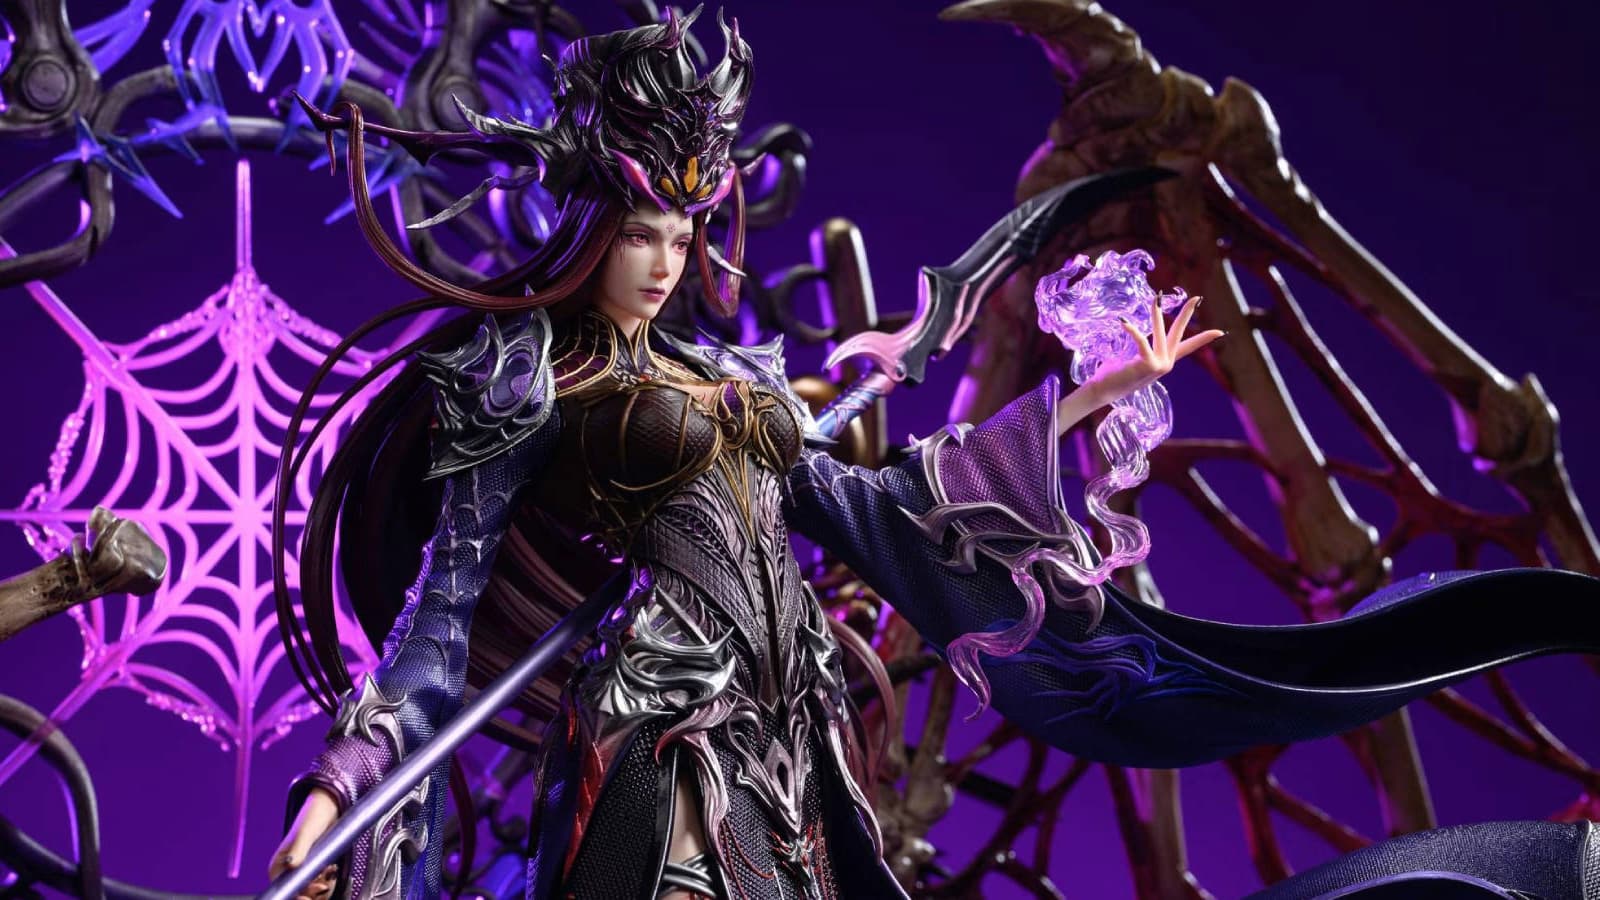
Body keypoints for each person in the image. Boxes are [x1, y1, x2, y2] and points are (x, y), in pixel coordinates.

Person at [268, 10, 1600, 900]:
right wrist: (341, 789)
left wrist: (1088, 400)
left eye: (681, 232)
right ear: (590, 224)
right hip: (661, 746)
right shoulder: (520, 379)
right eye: (638, 233)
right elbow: (438, 633)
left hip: (793, 754)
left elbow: (889, 501)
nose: (663, 262)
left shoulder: (736, 381)